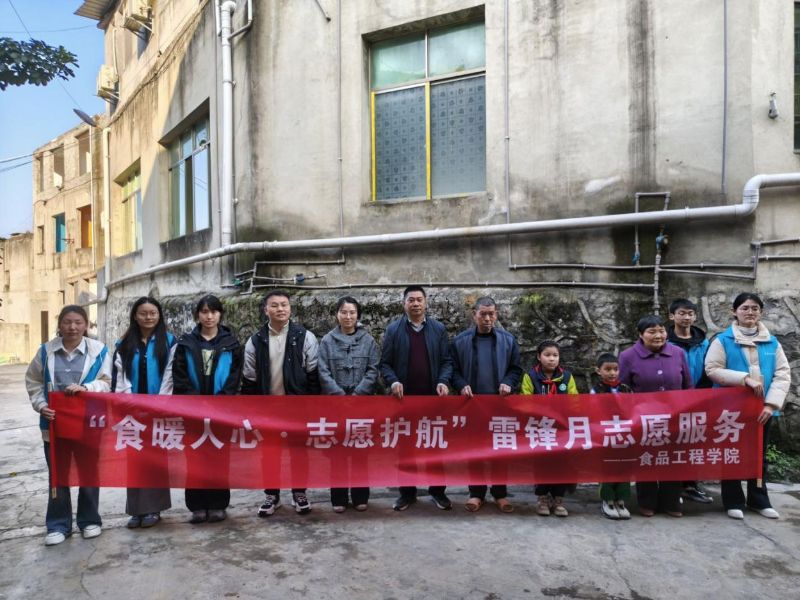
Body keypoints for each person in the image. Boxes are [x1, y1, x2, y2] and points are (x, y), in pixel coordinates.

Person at [25, 305, 112, 546]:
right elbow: (33, 380)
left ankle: (89, 520)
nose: (72, 327)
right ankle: (58, 525)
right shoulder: (46, 352)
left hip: (88, 423)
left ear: (86, 325)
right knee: (58, 474)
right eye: (67, 322)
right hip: (54, 424)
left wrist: (87, 388)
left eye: (78, 322)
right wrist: (41, 405)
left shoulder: (99, 351)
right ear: (59, 325)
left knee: (88, 472)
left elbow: (107, 382)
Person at [705, 292, 791, 520]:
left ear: (760, 312)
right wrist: (744, 379)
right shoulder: (723, 340)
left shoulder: (772, 342)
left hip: (762, 410)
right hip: (730, 411)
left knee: (758, 454)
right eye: (744, 308)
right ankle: (733, 500)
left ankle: (758, 500)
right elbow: (712, 369)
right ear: (734, 311)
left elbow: (783, 374)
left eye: (755, 308)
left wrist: (771, 405)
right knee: (731, 453)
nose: (750, 312)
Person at [161, 295, 242, 524]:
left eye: (213, 311)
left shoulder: (231, 343)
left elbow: (235, 376)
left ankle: (218, 504)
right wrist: (195, 402)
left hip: (222, 411)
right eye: (204, 312)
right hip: (192, 411)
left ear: (220, 314)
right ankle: (197, 505)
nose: (209, 316)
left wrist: (221, 401)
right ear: (197, 314)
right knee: (194, 457)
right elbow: (179, 376)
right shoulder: (186, 343)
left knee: (220, 457)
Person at [241, 289, 320, 517]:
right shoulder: (255, 340)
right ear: (266, 310)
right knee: (269, 454)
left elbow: (313, 375)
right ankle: (271, 495)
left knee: (299, 453)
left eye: (284, 305)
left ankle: (299, 493)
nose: (280, 309)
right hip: (268, 408)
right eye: (274, 305)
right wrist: (250, 411)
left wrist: (312, 408)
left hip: (297, 407)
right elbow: (249, 378)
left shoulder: (305, 337)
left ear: (290, 308)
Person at [380, 285, 453, 511]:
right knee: (406, 449)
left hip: (432, 400)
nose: (415, 304)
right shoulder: (394, 330)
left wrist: (443, 381)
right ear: (404, 304)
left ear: (426, 303)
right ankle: (407, 494)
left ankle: (438, 492)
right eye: (411, 300)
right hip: (404, 401)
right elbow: (385, 364)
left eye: (419, 299)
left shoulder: (438, 329)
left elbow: (447, 361)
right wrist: (393, 381)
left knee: (434, 447)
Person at [450, 296, 522, 513]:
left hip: (500, 406)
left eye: (491, 314)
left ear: (496, 315)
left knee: (500, 450)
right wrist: (461, 385)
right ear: (475, 315)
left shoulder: (508, 340)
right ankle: (476, 493)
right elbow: (453, 370)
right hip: (473, 405)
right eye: (483, 314)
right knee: (476, 451)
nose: (488, 319)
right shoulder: (460, 341)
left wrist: (508, 382)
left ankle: (500, 493)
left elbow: (516, 369)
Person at [112, 297, 176, 529]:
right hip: (132, 411)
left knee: (156, 460)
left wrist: (160, 403)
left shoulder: (169, 341)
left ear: (159, 316)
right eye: (143, 313)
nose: (148, 317)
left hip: (159, 410)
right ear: (135, 316)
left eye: (153, 313)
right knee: (134, 459)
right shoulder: (124, 343)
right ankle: (137, 510)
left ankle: (154, 509)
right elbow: (120, 375)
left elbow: (170, 374)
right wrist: (130, 402)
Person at [619, 315, 692, 518]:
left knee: (673, 459)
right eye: (652, 332)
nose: (658, 335)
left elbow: (687, 384)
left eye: (661, 331)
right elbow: (623, 388)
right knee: (647, 459)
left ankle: (671, 502)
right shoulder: (627, 356)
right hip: (644, 419)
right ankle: (647, 502)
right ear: (640, 335)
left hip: (675, 417)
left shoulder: (678, 353)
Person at [317, 296, 381, 512]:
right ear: (337, 315)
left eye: (352, 312)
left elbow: (373, 369)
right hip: (335, 406)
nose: (348, 316)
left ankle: (361, 496)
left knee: (360, 451)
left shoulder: (368, 341)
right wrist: (338, 395)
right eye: (343, 312)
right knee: (338, 453)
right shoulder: (327, 341)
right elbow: (323, 371)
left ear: (358, 315)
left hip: (361, 405)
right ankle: (339, 498)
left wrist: (358, 394)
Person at [521, 340, 578, 517]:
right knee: (542, 464)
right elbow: (525, 401)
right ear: (539, 357)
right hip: (540, 429)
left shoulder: (567, 377)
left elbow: (575, 401)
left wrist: (564, 412)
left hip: (561, 429)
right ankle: (542, 498)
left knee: (562, 463)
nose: (551, 359)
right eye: (547, 355)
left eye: (555, 355)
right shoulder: (530, 377)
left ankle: (559, 499)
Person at [666, 298, 714, 505]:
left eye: (690, 314)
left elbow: (710, 368)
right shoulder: (665, 341)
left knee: (693, 443)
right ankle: (671, 487)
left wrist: (701, 394)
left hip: (698, 399)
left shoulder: (704, 342)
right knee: (670, 443)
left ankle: (691, 485)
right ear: (672, 316)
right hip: (672, 400)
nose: (686, 317)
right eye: (682, 313)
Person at [590, 352, 633, 520]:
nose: (612, 373)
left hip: (624, 435)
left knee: (624, 467)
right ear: (598, 370)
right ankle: (607, 500)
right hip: (606, 435)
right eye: (607, 369)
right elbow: (592, 412)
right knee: (607, 467)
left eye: (615, 369)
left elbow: (633, 408)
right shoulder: (596, 390)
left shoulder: (626, 389)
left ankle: (621, 500)